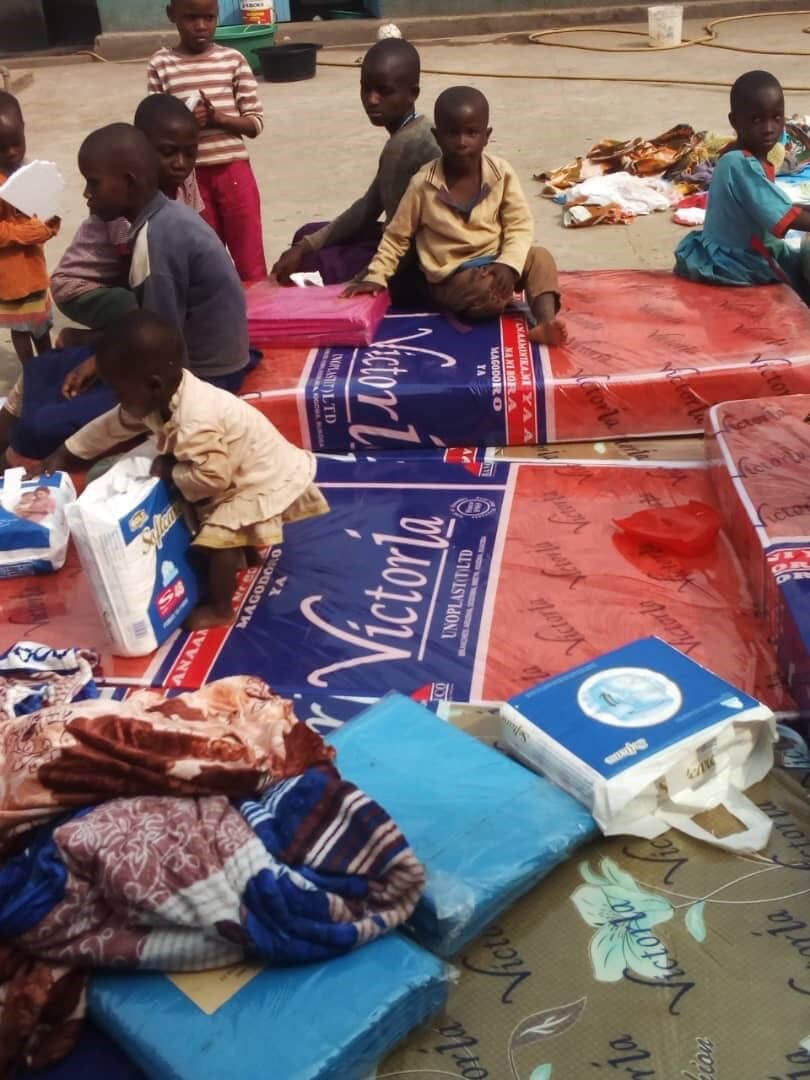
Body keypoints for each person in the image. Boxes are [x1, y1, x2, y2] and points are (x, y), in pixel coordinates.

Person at [34, 311, 328, 630]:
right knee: (216, 515)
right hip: (240, 463)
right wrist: (66, 453)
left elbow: (214, 478)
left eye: (119, 392)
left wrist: (172, 471)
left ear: (153, 385)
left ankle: (220, 608)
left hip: (257, 474)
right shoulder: (158, 397)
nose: (117, 400)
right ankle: (248, 556)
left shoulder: (193, 422)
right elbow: (111, 426)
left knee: (217, 536)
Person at [1, 122, 252, 461]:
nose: (87, 194)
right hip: (169, 356)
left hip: (200, 377)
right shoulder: (161, 219)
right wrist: (98, 361)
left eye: (94, 183)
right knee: (42, 370)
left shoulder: (159, 238)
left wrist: (102, 367)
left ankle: (10, 469)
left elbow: (162, 358)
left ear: (129, 183)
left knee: (42, 426)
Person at [344, 86, 566, 345]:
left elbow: (519, 224)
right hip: (453, 277)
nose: (462, 142)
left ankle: (545, 322)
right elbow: (396, 236)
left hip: (496, 262)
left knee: (541, 258)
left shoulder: (501, 173)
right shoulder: (423, 184)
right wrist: (376, 276)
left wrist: (509, 264)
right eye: (453, 133)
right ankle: (493, 297)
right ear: (437, 137)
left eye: (472, 133)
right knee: (481, 288)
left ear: (486, 136)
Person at [271, 38, 438, 305]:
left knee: (311, 266)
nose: (372, 100)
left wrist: (362, 281)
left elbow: (403, 243)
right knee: (305, 236)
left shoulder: (409, 145)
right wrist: (307, 244)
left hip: (418, 265)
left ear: (412, 93)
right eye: (366, 89)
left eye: (384, 91)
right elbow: (369, 206)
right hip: (399, 241)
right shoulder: (411, 132)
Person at [51, 93, 204, 344]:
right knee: (141, 310)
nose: (181, 163)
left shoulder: (185, 180)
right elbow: (133, 270)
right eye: (168, 152)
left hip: (125, 279)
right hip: (81, 288)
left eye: (190, 153)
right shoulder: (126, 201)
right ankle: (85, 340)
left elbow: (197, 226)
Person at [148, 0, 266, 282]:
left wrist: (219, 119)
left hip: (234, 172)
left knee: (250, 257)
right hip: (188, 179)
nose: (201, 26)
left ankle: (259, 319)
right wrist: (187, 124)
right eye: (191, 17)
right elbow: (153, 126)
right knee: (204, 259)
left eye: (209, 18)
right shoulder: (161, 65)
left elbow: (255, 123)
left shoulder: (233, 60)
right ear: (171, 15)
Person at [675, 70, 810, 294]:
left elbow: (778, 205)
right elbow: (784, 217)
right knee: (800, 280)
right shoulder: (741, 165)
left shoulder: (745, 155)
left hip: (743, 247)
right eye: (757, 120)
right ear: (735, 121)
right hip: (734, 261)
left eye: (776, 118)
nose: (769, 128)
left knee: (797, 260)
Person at [0, 91, 60, 365]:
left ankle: (47, 366)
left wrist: (49, 226)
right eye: (1, 148)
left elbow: (47, 213)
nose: (12, 152)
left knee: (41, 324)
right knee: (21, 329)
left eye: (16, 143)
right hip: (9, 275)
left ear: (24, 128)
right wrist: (24, 233)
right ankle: (31, 372)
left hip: (34, 269)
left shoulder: (31, 172)